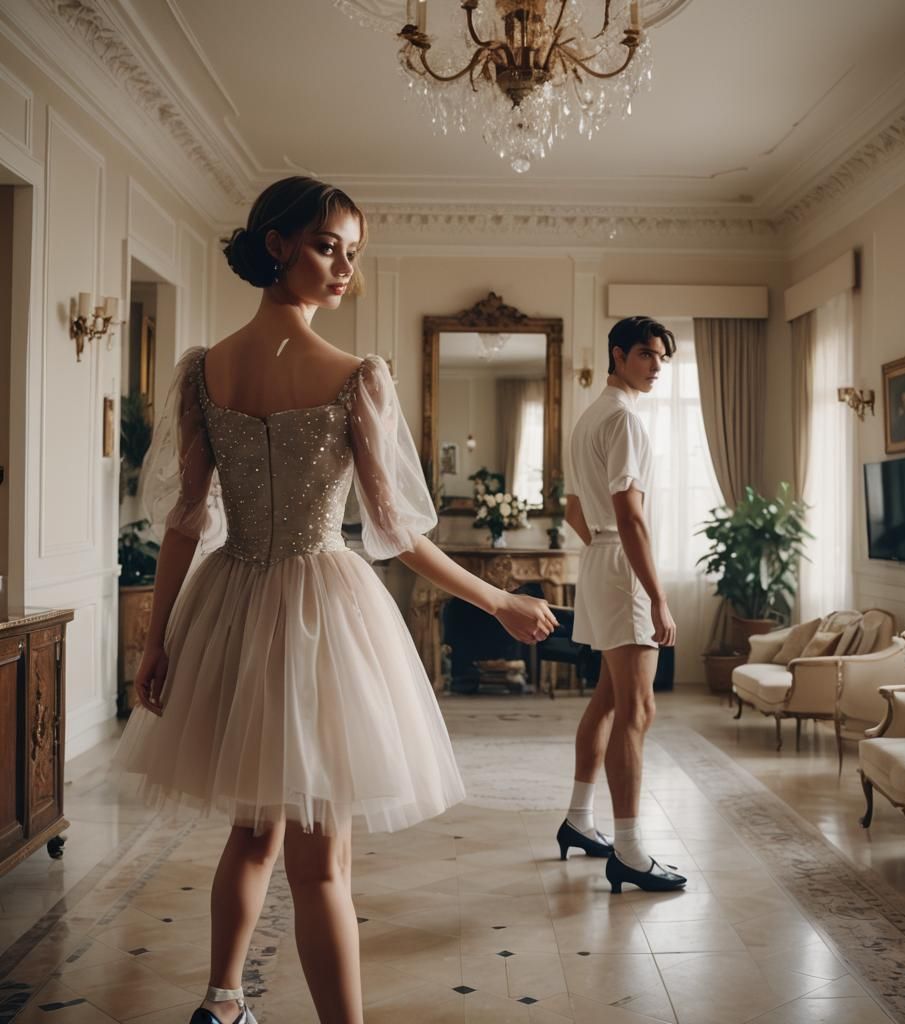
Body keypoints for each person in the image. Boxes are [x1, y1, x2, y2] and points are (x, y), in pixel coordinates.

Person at [116, 176, 556, 1024]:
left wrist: (160, 638)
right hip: (321, 613)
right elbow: (398, 535)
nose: (346, 268)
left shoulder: (204, 373)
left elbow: (183, 526)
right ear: (277, 244)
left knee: (251, 832)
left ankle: (222, 1003)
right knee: (322, 863)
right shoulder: (357, 376)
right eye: (328, 247)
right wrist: (497, 600)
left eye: (353, 253)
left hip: (229, 603)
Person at [556, 316, 686, 894]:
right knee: (638, 709)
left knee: (609, 699)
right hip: (622, 568)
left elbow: (572, 510)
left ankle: (578, 820)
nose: (656, 366)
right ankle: (630, 852)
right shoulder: (626, 419)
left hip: (599, 562)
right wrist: (657, 597)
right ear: (617, 355)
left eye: (662, 357)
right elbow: (630, 516)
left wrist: (603, 551)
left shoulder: (590, 416)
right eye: (645, 355)